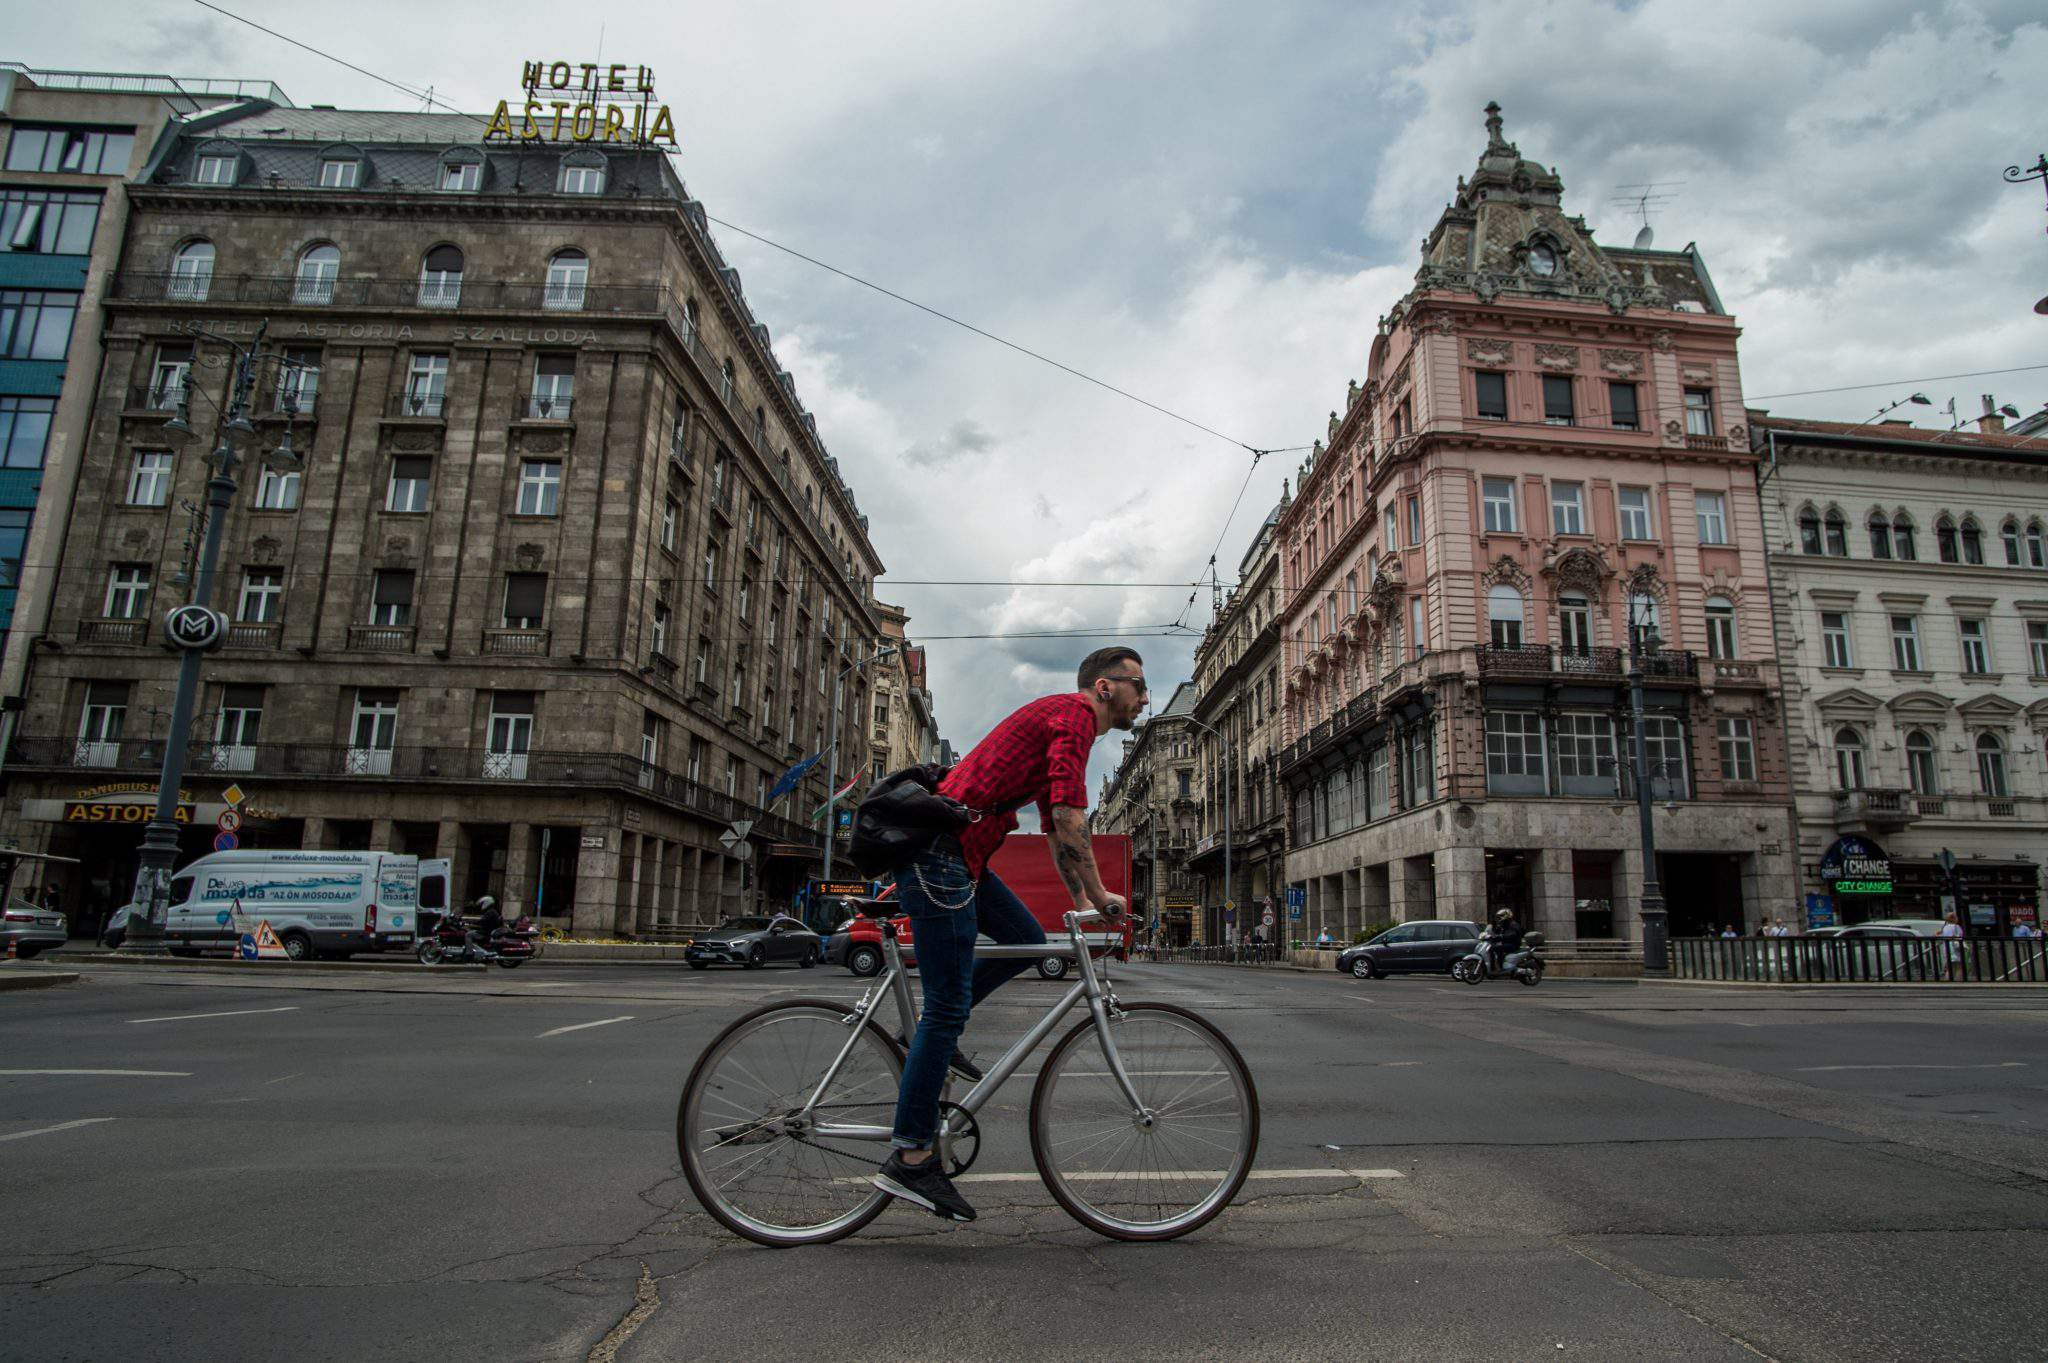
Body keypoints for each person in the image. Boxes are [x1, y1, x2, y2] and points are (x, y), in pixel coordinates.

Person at [872, 646, 1141, 1224]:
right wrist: (1100, 897)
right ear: (1103, 687)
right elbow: (1071, 821)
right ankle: (913, 1154)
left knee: (1026, 937)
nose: (1144, 698)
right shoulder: (1071, 720)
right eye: (1137, 687)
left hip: (960, 858)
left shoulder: (1067, 726)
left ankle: (922, 1036)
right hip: (939, 856)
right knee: (947, 1006)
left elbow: (1054, 828)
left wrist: (1077, 906)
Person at [464, 895, 503, 960]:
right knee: (471, 932)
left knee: (467, 935)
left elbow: (482, 921)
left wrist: (470, 922)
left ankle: (469, 954)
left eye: (482, 903)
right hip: (488, 931)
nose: (481, 905)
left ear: (486, 903)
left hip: (485, 933)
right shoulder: (493, 911)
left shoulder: (490, 912)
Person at [1489, 909, 1522, 975]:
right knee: (1495, 949)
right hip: (1506, 944)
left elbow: (1512, 934)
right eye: (1499, 916)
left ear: (1506, 916)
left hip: (1513, 945)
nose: (1499, 918)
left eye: (1501, 916)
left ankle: (1493, 968)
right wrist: (1490, 936)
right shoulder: (1503, 924)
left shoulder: (1513, 924)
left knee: (1492, 949)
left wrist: (1502, 936)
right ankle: (1500, 967)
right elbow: (1496, 933)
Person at [1939, 910, 1965, 977]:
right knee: (1959, 967)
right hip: (1955, 947)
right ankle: (1959, 982)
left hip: (1946, 947)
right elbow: (1960, 936)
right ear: (1953, 918)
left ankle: (1948, 981)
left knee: (1949, 968)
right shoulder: (1957, 927)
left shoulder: (1945, 927)